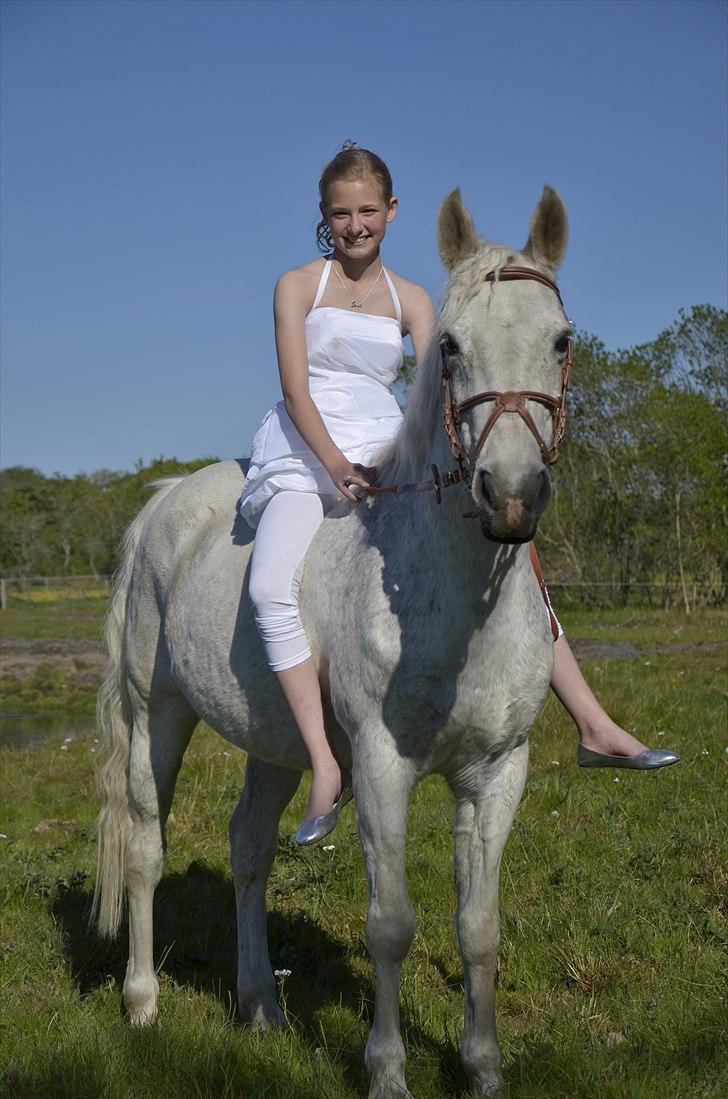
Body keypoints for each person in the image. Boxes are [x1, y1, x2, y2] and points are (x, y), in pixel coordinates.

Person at [239, 143, 679, 846]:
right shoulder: (297, 286)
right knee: (269, 588)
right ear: (324, 216)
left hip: (389, 450)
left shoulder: (413, 298)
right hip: (305, 452)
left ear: (391, 211)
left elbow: (443, 376)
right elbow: (296, 388)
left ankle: (593, 721)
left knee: (512, 569)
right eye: (340, 212)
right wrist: (334, 463)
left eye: (367, 211)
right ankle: (326, 762)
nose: (355, 225)